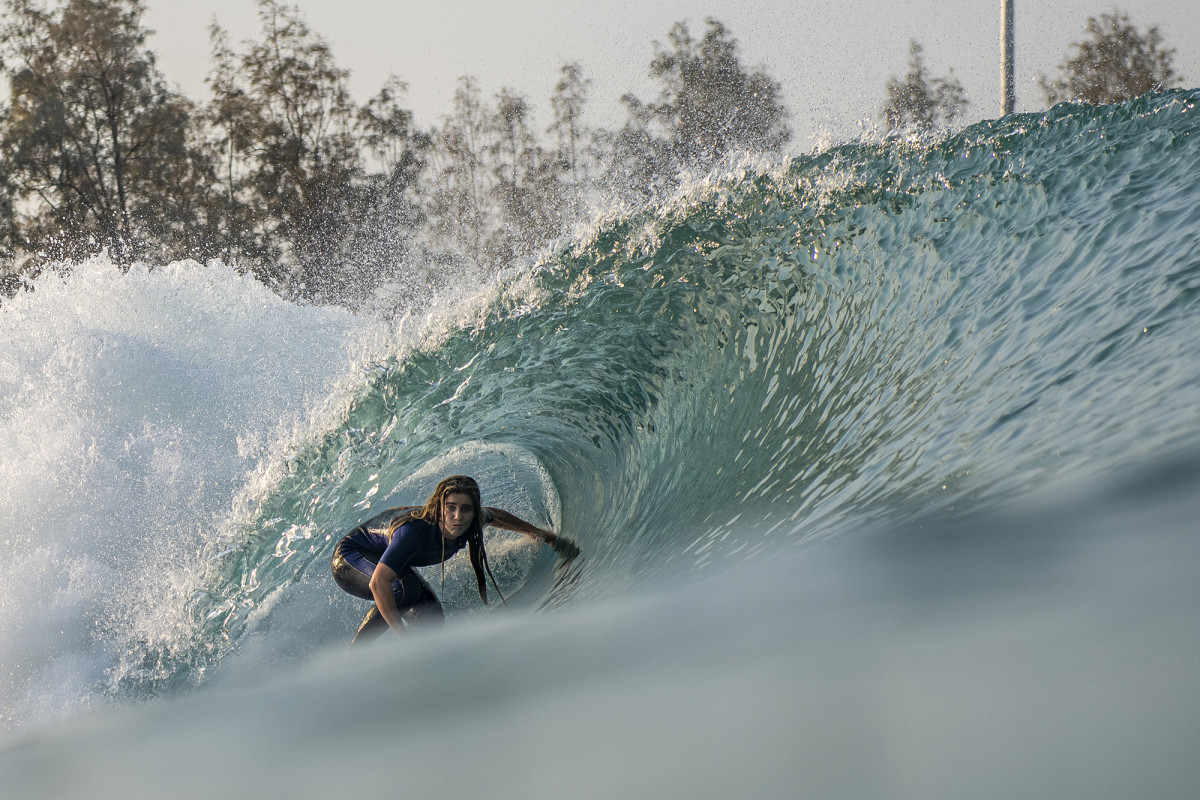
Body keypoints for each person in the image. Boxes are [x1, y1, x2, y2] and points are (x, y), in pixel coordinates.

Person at [330, 474, 568, 645]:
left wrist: (541, 535)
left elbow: (496, 516)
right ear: (439, 508)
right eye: (451, 508)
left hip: (377, 558)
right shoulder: (413, 532)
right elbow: (378, 583)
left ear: (474, 511)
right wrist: (403, 637)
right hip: (350, 557)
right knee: (401, 588)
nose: (458, 516)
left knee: (432, 621)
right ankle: (357, 655)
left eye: (466, 509)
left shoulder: (472, 521)